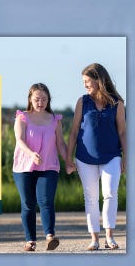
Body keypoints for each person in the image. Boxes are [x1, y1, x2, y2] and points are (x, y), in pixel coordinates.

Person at [65, 62, 127, 251]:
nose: (85, 85)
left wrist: (126, 158)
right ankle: (94, 238)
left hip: (112, 156)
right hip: (85, 157)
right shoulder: (82, 101)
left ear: (99, 80)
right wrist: (68, 159)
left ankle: (110, 237)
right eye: (83, 82)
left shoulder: (117, 103)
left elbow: (123, 132)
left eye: (87, 81)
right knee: (91, 197)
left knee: (109, 194)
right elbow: (74, 131)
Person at [12, 83, 66, 251]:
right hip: (24, 166)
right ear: (30, 99)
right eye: (36, 99)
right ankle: (30, 241)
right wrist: (31, 154)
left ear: (48, 100)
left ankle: (50, 236)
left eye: (44, 99)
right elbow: (19, 140)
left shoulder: (55, 120)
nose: (40, 102)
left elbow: (60, 143)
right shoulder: (22, 117)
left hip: (49, 165)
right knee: (28, 203)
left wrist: (68, 161)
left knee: (46, 201)